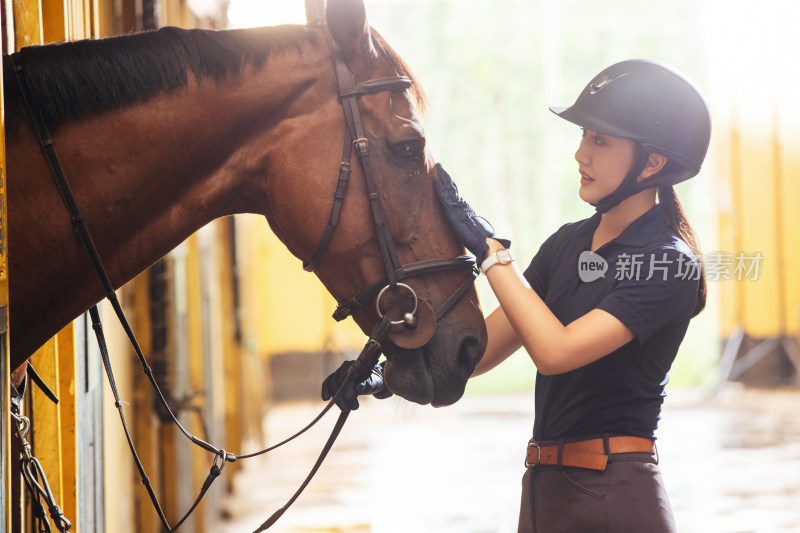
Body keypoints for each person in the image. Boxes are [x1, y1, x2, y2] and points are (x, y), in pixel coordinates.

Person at [322, 58, 711, 532]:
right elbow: (478, 353)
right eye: (584, 136)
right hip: (544, 490)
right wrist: (383, 373)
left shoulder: (668, 262)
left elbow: (555, 351)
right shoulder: (566, 245)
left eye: (601, 140)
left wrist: (489, 253)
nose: (580, 154)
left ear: (652, 162)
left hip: (614, 494)